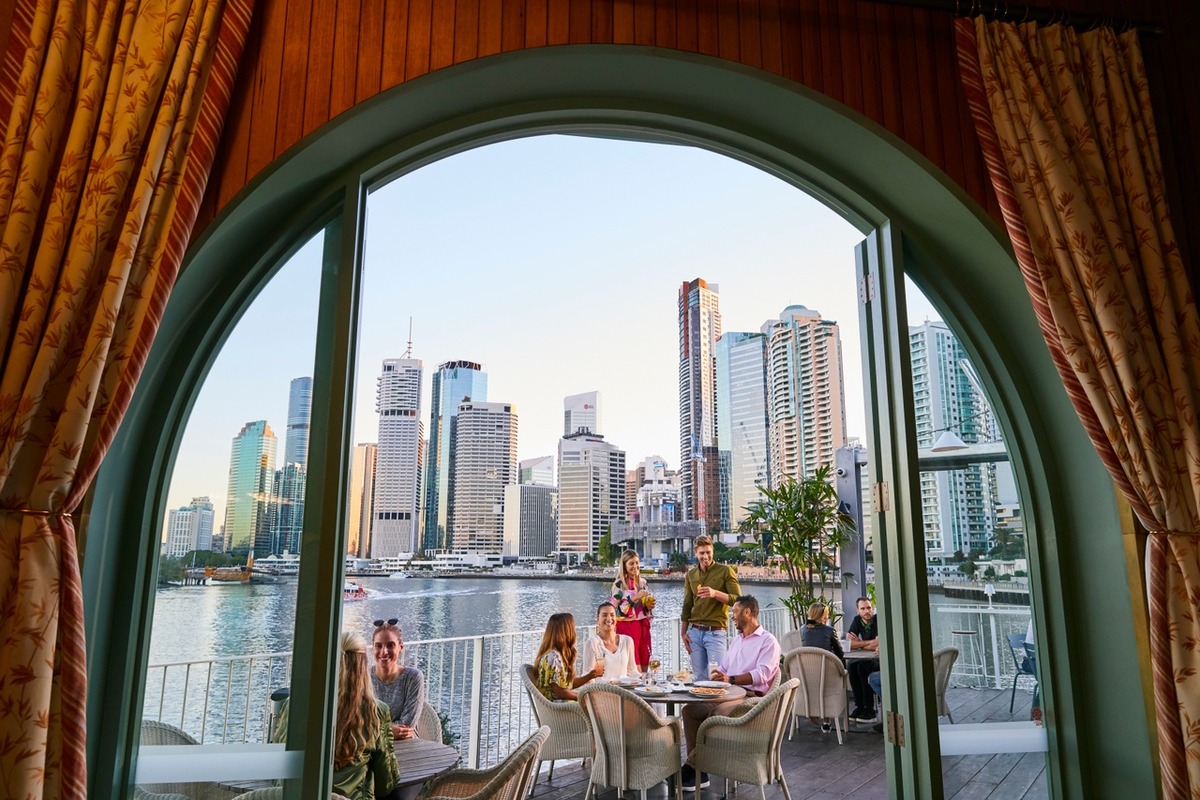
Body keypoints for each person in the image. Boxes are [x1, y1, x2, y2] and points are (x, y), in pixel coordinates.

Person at [274, 632, 401, 800]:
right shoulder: (375, 711)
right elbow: (386, 784)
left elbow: (278, 768)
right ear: (363, 666)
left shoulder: (295, 705)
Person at [680, 594, 779, 792]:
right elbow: (724, 668)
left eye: (734, 611)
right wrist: (718, 676)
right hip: (728, 694)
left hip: (751, 699)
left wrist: (731, 679)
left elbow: (762, 674)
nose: (732, 616)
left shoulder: (768, 641)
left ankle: (691, 767)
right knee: (690, 710)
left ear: (748, 612)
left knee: (716, 716)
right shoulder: (737, 640)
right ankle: (701, 773)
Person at [680, 534, 742, 680]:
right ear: (695, 552)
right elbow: (687, 605)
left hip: (715, 633)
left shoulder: (725, 571)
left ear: (713, 551)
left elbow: (738, 599)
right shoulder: (691, 575)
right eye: (702, 553)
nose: (705, 556)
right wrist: (683, 634)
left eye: (708, 552)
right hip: (694, 633)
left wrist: (715, 593)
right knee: (699, 679)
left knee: (718, 678)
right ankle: (701, 704)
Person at [370, 618, 424, 740]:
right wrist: (389, 731)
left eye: (390, 645)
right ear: (372, 648)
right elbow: (359, 723)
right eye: (379, 646)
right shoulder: (364, 677)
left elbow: (406, 726)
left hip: (407, 747)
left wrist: (375, 730)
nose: (384, 652)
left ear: (400, 647)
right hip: (372, 747)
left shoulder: (413, 678)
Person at [534, 612, 605, 701]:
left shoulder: (553, 654)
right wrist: (583, 698)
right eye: (572, 628)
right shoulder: (554, 658)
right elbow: (560, 692)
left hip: (557, 708)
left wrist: (590, 676)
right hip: (561, 711)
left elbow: (566, 685)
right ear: (567, 631)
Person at [610, 549, 654, 670]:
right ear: (624, 566)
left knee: (644, 656)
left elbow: (644, 607)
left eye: (636, 562)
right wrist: (636, 597)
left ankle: (644, 685)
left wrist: (648, 605)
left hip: (642, 625)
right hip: (626, 627)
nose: (635, 566)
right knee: (633, 663)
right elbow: (614, 608)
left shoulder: (642, 582)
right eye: (631, 563)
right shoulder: (619, 584)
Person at [582, 601, 638, 680]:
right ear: (598, 619)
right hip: (601, 690)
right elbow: (587, 676)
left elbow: (632, 672)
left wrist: (645, 678)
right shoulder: (592, 643)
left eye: (612, 615)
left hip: (623, 691)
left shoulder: (627, 641)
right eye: (604, 615)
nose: (609, 619)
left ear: (616, 618)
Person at [847, 596, 881, 723]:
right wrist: (870, 643)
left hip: (881, 660)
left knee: (863, 667)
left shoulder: (878, 619)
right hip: (869, 657)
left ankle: (870, 709)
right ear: (858, 610)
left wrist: (861, 643)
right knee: (852, 666)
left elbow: (879, 643)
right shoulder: (857, 621)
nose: (867, 611)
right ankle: (860, 706)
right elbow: (850, 643)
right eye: (863, 608)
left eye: (869, 608)